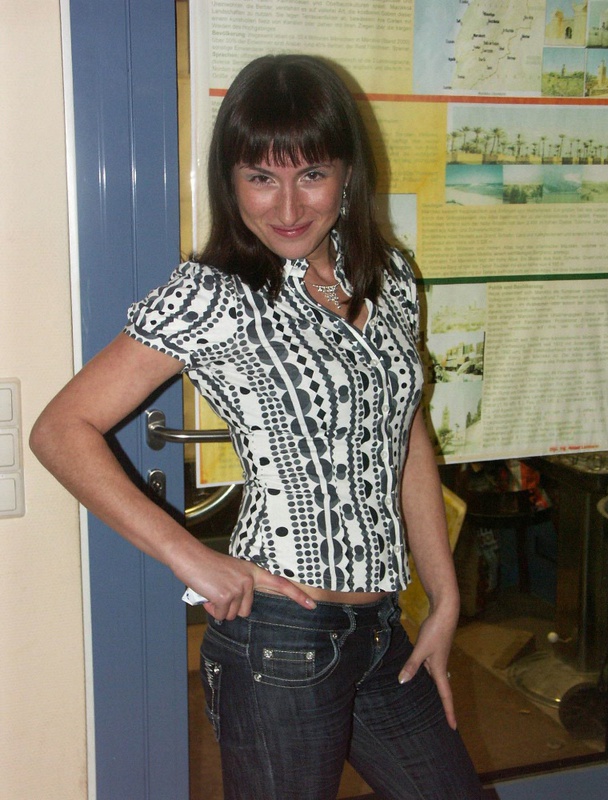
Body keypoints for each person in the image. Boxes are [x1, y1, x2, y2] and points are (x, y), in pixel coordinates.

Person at [30, 54, 484, 799]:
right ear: (230, 181)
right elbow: (60, 429)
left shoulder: (390, 278)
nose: (288, 206)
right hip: (280, 640)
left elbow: (406, 436)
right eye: (261, 177)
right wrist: (191, 558)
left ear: (348, 173)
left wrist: (444, 597)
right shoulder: (215, 295)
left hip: (381, 634)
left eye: (312, 173)